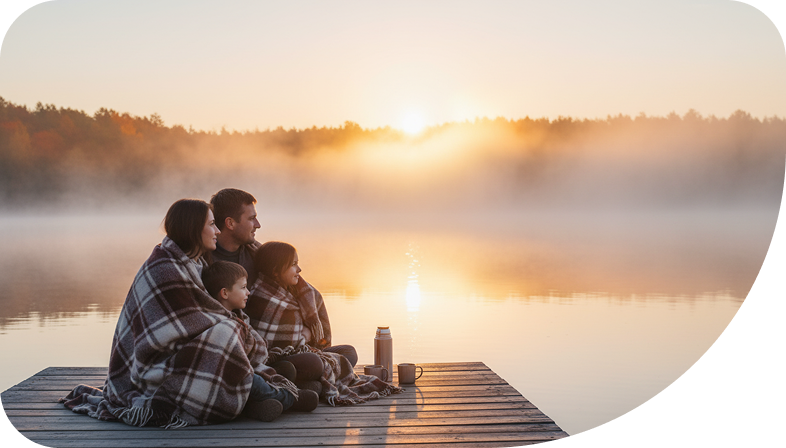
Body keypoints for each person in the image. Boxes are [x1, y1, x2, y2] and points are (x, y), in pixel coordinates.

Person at [60, 199, 303, 427]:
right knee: (224, 334)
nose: (217, 231)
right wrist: (234, 327)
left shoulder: (194, 262)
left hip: (180, 355)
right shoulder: (164, 267)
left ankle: (256, 401)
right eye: (211, 225)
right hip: (154, 366)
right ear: (193, 230)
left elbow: (201, 315)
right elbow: (194, 321)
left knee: (226, 334)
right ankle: (282, 396)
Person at [247, 241, 403, 406]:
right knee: (313, 362)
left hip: (300, 353)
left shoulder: (293, 291)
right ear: (275, 271)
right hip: (276, 360)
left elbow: (301, 341)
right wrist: (305, 335)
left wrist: (304, 338)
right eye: (293, 265)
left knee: (349, 352)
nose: (299, 270)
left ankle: (311, 386)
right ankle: (298, 383)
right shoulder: (264, 298)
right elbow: (275, 347)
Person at [201, 260, 319, 418]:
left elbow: (252, 355)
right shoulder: (218, 323)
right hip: (227, 379)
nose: (248, 292)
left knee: (281, 370)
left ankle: (256, 405)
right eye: (243, 288)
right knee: (253, 381)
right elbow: (230, 365)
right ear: (225, 293)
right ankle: (292, 397)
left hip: (247, 369)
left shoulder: (239, 317)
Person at [209, 188, 262, 285]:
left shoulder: (260, 256)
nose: (258, 225)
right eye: (251, 218)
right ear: (230, 223)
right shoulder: (201, 261)